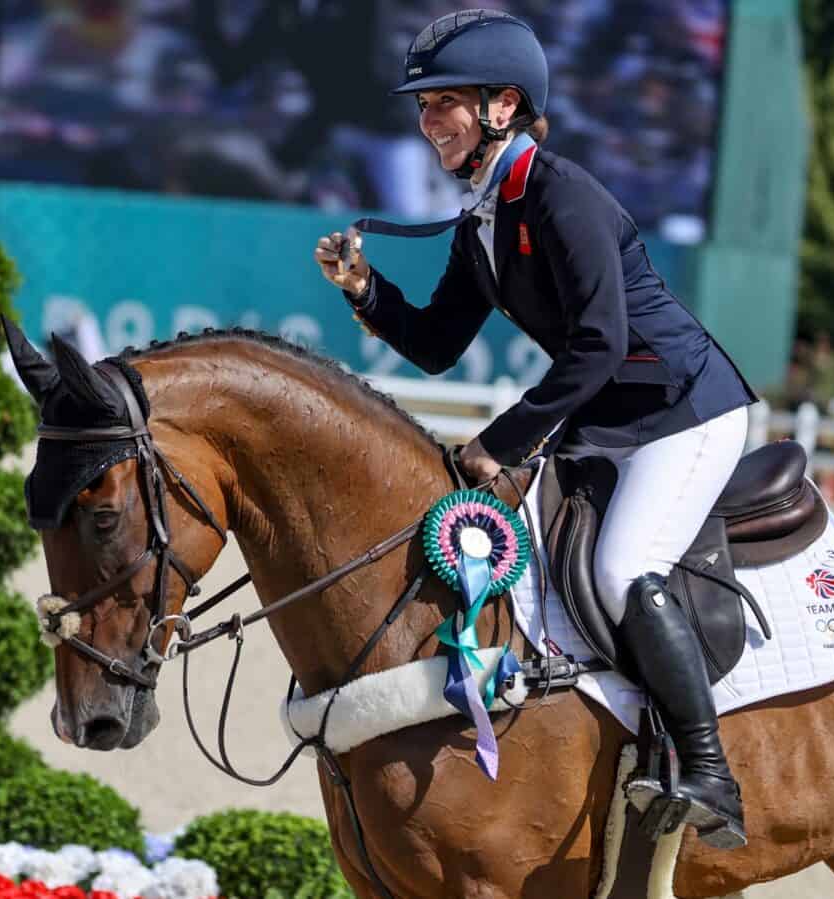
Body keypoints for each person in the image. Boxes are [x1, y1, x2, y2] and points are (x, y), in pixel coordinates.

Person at [313, 8, 757, 850]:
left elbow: (603, 343)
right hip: (608, 420)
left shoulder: (563, 196)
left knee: (625, 566)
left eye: (443, 101)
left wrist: (501, 442)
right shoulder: (486, 214)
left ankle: (710, 771)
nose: (425, 120)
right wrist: (364, 290)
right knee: (530, 575)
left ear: (502, 107)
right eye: (423, 104)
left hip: (683, 414)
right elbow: (440, 345)